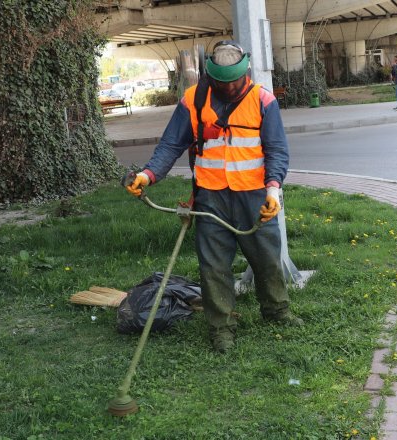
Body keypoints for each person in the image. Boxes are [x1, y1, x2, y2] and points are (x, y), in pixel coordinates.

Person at [125, 40, 302, 353]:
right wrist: (147, 175)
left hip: (254, 195)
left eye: (235, 81)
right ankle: (221, 327)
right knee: (213, 266)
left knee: (267, 258)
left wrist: (273, 189)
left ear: (245, 72)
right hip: (211, 198)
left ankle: (277, 311)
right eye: (222, 82)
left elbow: (276, 150)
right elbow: (170, 145)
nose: (230, 87)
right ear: (212, 76)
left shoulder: (263, 100)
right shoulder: (193, 100)